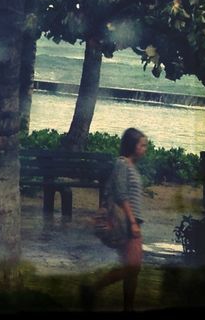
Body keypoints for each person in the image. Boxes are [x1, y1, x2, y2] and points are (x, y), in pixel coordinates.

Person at [82, 128, 148, 311]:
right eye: (142, 145)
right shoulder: (122, 164)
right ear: (132, 145)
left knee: (132, 270)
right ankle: (92, 289)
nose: (145, 149)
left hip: (132, 222)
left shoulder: (131, 166)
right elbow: (121, 195)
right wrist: (132, 222)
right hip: (126, 223)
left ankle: (128, 307)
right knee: (133, 268)